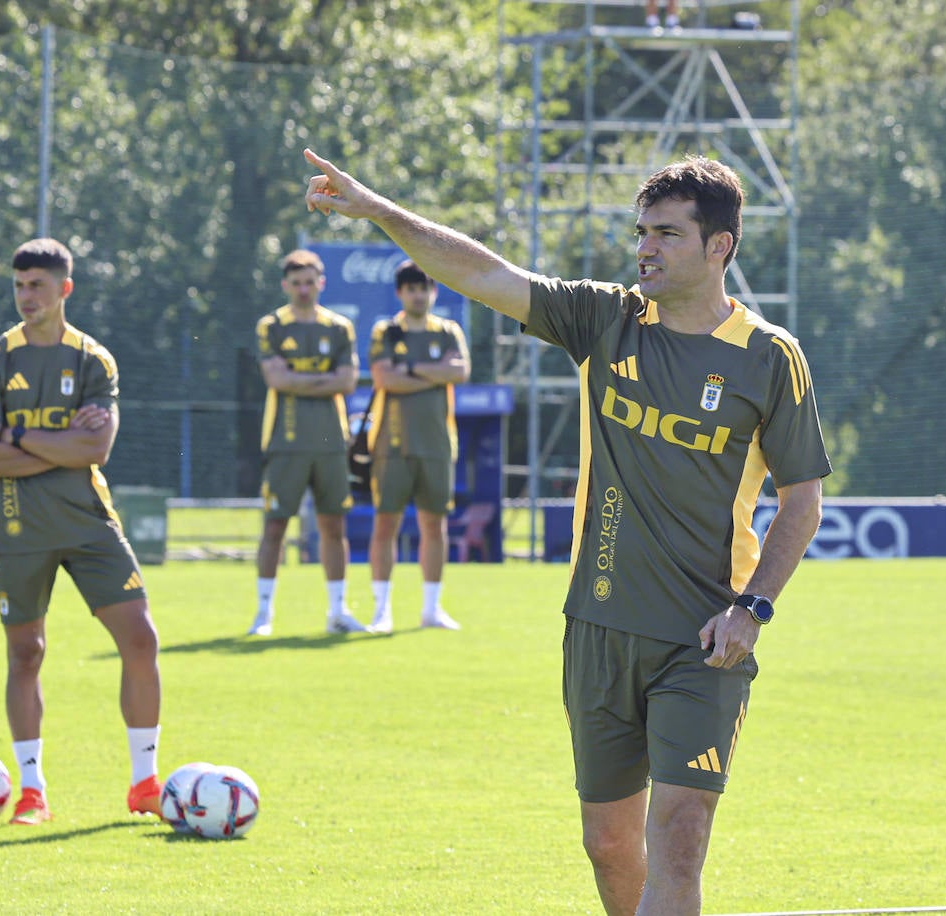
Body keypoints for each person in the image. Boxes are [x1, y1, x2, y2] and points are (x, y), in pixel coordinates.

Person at [304, 148, 827, 914]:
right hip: (599, 626)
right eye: (641, 231)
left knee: (678, 841)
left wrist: (752, 608)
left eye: (668, 234)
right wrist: (381, 210)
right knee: (611, 849)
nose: (645, 246)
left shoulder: (768, 358)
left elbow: (801, 501)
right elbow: (483, 275)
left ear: (720, 247)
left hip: (705, 639)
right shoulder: (606, 318)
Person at [0, 238, 165, 825]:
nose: (27, 296)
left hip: (88, 522)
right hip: (18, 525)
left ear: (64, 289)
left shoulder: (94, 360)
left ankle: (144, 782)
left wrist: (17, 438)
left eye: (38, 286)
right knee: (26, 653)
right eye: (20, 285)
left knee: (141, 639)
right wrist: (59, 447)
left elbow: (97, 447)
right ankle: (32, 791)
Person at [248, 249, 367, 636]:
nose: (303, 289)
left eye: (309, 281)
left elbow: (348, 380)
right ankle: (264, 614)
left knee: (333, 526)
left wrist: (300, 380)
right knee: (276, 526)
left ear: (322, 283)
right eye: (296, 283)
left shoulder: (339, 327)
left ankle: (337, 611)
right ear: (286, 285)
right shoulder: (272, 326)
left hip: (331, 442)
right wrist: (322, 380)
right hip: (285, 440)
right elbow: (276, 380)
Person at [365, 260, 471, 633]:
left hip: (438, 445)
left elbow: (459, 372)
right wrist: (429, 371)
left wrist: (408, 369)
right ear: (400, 293)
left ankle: (431, 609)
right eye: (411, 288)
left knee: (433, 526)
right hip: (391, 445)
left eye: (424, 287)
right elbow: (384, 378)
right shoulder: (387, 331)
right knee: (385, 525)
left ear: (434, 291)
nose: (418, 294)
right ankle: (381, 611)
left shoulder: (447, 331)